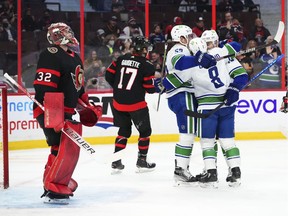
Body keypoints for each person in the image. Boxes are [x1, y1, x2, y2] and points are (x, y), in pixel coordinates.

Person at [165, 30, 247, 187]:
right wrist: (234, 89)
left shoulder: (193, 64)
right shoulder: (222, 53)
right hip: (226, 105)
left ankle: (211, 173)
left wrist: (159, 84)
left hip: (206, 107)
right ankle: (235, 172)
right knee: (227, 140)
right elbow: (240, 66)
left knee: (207, 141)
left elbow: (175, 80)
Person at [33, 22, 102, 204]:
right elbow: (43, 88)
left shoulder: (75, 58)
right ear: (59, 35)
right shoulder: (51, 54)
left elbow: (77, 89)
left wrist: (88, 106)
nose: (71, 34)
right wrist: (53, 114)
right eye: (67, 32)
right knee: (58, 146)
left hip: (67, 111)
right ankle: (52, 185)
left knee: (66, 150)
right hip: (50, 111)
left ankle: (58, 181)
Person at [162, 25, 216, 185]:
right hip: (181, 94)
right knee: (188, 133)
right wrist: (198, 58)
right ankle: (180, 169)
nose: (192, 38)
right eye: (189, 36)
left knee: (190, 132)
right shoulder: (178, 49)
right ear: (182, 39)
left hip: (183, 94)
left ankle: (182, 168)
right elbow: (180, 63)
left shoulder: (186, 50)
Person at [105, 35, 159, 174]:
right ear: (143, 50)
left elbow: (108, 75)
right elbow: (150, 88)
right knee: (145, 132)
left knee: (123, 131)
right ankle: (141, 161)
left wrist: (119, 89)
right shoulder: (147, 66)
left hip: (118, 103)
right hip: (136, 106)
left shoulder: (121, 59)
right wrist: (158, 86)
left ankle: (116, 161)